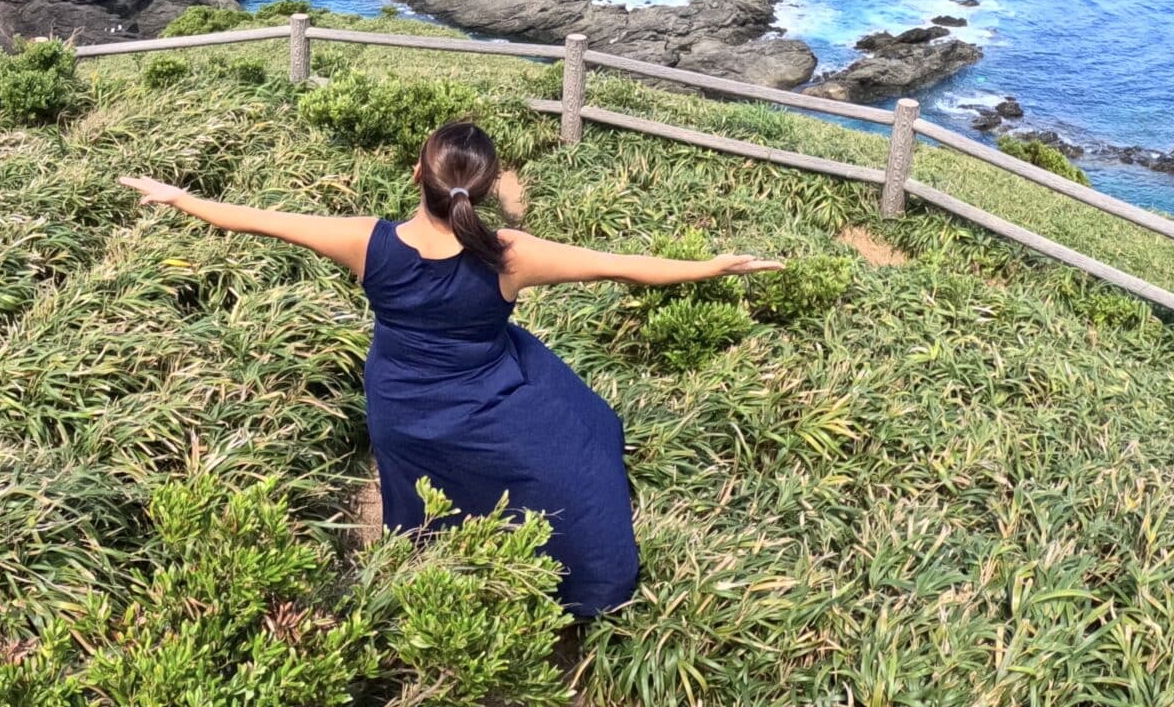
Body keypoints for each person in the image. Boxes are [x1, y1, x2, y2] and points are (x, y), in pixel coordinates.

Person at [118, 120, 780, 616]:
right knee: (584, 437)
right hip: (484, 396)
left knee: (422, 483)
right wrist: (715, 265)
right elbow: (628, 267)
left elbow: (253, 221)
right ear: (488, 189)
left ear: (417, 174)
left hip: (401, 407)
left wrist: (177, 196)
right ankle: (576, 584)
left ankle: (422, 573)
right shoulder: (509, 253)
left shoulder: (365, 241)